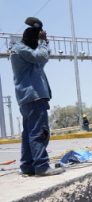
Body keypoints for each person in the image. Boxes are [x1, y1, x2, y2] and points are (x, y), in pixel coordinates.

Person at [10, 17, 64, 176]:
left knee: (29, 133)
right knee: (39, 132)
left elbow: (42, 58)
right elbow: (40, 56)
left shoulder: (25, 56)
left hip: (27, 99)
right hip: (34, 97)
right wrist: (42, 43)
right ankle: (41, 166)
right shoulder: (20, 49)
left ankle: (27, 166)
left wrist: (44, 44)